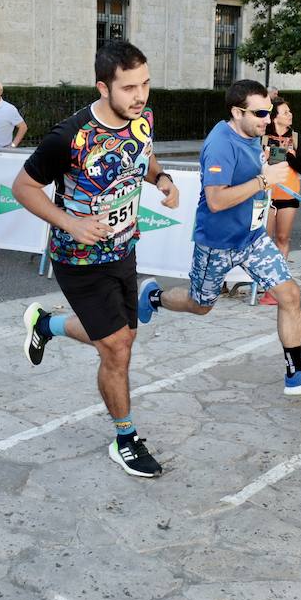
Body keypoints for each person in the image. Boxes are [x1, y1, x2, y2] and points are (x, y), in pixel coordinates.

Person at [14, 42, 178, 478]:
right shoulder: (68, 136)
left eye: (144, 84)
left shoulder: (141, 117)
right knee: (117, 347)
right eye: (129, 88)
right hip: (79, 257)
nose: (140, 95)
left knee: (122, 338)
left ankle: (45, 324)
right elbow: (23, 188)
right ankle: (125, 439)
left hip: (124, 248)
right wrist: (69, 223)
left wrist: (161, 178)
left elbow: (140, 155)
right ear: (103, 87)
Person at [136, 80, 301, 397]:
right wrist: (263, 180)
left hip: (253, 239)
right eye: (260, 113)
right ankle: (152, 297)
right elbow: (215, 201)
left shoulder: (251, 132)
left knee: (290, 296)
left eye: (269, 112)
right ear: (236, 112)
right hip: (218, 244)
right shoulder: (220, 144)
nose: (267, 120)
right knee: (200, 306)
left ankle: (295, 373)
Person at [259, 97, 301, 305]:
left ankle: (277, 283)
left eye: (290, 112)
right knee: (264, 240)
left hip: (288, 195)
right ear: (275, 116)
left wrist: (288, 155)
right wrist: (266, 156)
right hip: (267, 195)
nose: (290, 115)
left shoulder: (295, 137)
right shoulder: (262, 136)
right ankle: (263, 281)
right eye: (285, 112)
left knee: (282, 238)